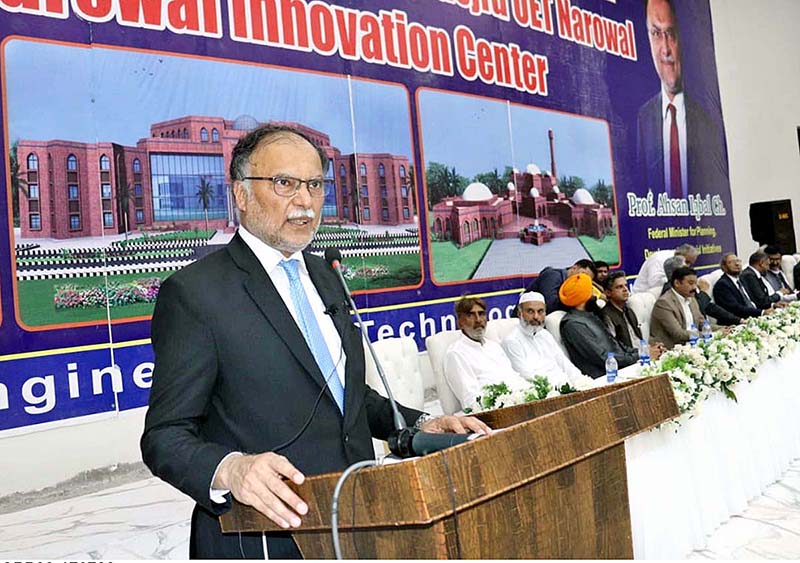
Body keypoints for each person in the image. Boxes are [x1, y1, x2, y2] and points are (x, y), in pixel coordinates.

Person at [140, 125, 489, 559]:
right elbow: (165, 436)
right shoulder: (196, 294)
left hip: (355, 521)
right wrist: (231, 469)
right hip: (263, 537)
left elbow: (345, 396)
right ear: (242, 195)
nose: (305, 201)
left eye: (315, 185)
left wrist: (418, 423)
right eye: (284, 184)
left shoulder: (327, 276)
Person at [636, 0, 728, 198]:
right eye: (656, 34)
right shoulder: (643, 120)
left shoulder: (709, 125)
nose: (665, 49)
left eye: (670, 33)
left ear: (682, 37)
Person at [559, 274, 663, 379]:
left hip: (622, 368)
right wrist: (640, 356)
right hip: (606, 378)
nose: (595, 295)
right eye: (591, 290)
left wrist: (646, 351)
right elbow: (602, 358)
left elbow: (618, 346)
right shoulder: (573, 325)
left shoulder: (590, 315)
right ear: (583, 295)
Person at [444, 296, 531, 410]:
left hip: (520, 402)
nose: (478, 320)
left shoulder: (493, 346)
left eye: (481, 314)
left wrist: (531, 392)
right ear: (460, 322)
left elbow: (513, 376)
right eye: (471, 315)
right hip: (494, 411)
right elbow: (471, 401)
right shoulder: (456, 354)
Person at [501, 291, 583, 387]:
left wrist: (582, 382)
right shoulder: (512, 341)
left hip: (567, 386)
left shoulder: (545, 334)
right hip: (546, 392)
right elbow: (527, 377)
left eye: (540, 311)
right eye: (530, 311)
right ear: (520, 314)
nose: (536, 317)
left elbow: (565, 364)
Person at [649, 266, 705, 349]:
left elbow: (702, 323)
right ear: (677, 283)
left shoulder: (691, 298)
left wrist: (721, 329)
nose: (694, 287)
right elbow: (678, 334)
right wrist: (706, 334)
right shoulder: (664, 303)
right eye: (690, 283)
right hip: (671, 350)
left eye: (695, 283)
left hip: (693, 345)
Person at [712, 252, 772, 321]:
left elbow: (754, 300)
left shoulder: (741, 280)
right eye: (731, 262)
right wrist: (762, 312)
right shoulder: (722, 285)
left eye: (738, 261)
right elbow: (736, 308)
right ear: (724, 267)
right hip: (738, 321)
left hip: (755, 316)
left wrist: (772, 306)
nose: (737, 264)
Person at [524, 259, 597, 312]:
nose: (583, 279)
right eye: (583, 274)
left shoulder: (573, 286)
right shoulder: (553, 275)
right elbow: (550, 305)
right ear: (574, 268)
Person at [600, 271, 643, 349]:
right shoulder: (606, 315)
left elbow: (639, 339)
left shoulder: (629, 311)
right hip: (630, 357)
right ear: (608, 293)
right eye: (619, 287)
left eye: (625, 285)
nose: (625, 289)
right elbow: (614, 347)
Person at [632, 243, 698, 294]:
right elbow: (655, 283)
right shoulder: (659, 259)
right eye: (687, 262)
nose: (687, 266)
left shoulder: (679, 262)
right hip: (645, 296)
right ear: (678, 254)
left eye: (690, 264)